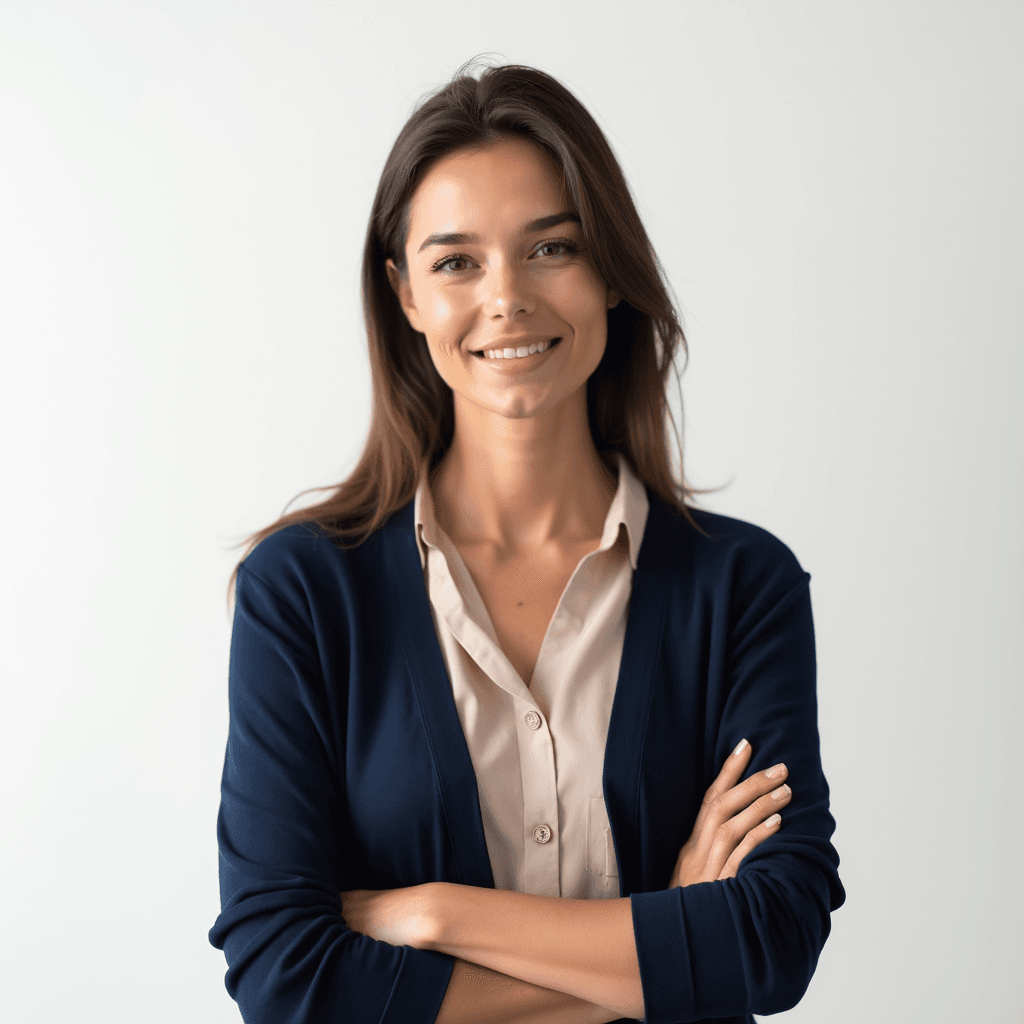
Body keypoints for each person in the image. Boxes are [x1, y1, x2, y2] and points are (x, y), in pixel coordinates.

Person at [208, 58, 845, 1024]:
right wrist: (668, 941)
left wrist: (431, 914)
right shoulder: (301, 593)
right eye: (456, 261)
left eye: (552, 248)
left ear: (611, 271)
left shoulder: (741, 585)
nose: (507, 297)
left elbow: (773, 937)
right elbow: (288, 976)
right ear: (406, 294)